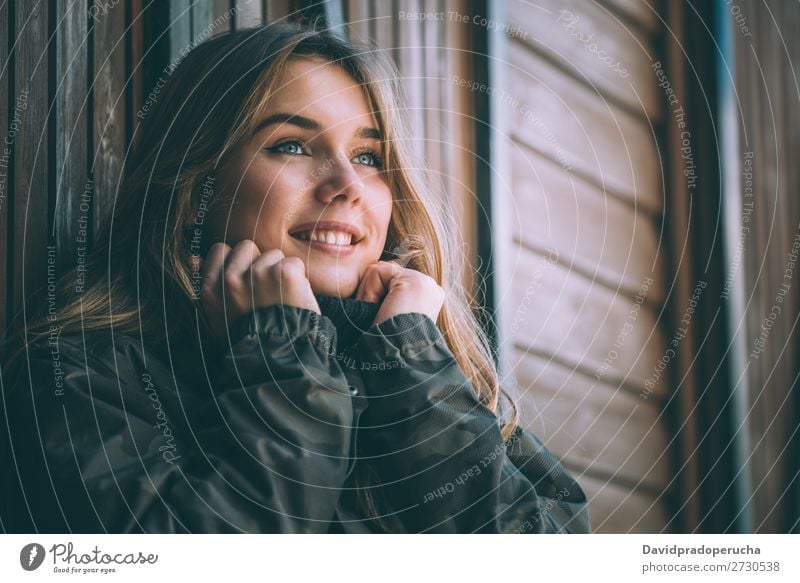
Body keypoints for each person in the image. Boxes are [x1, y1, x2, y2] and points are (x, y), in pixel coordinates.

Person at [1, 22, 590, 533]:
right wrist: (283, 354)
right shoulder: (75, 379)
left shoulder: (425, 371)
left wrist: (410, 363)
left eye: (367, 156)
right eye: (290, 145)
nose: (347, 185)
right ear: (194, 183)